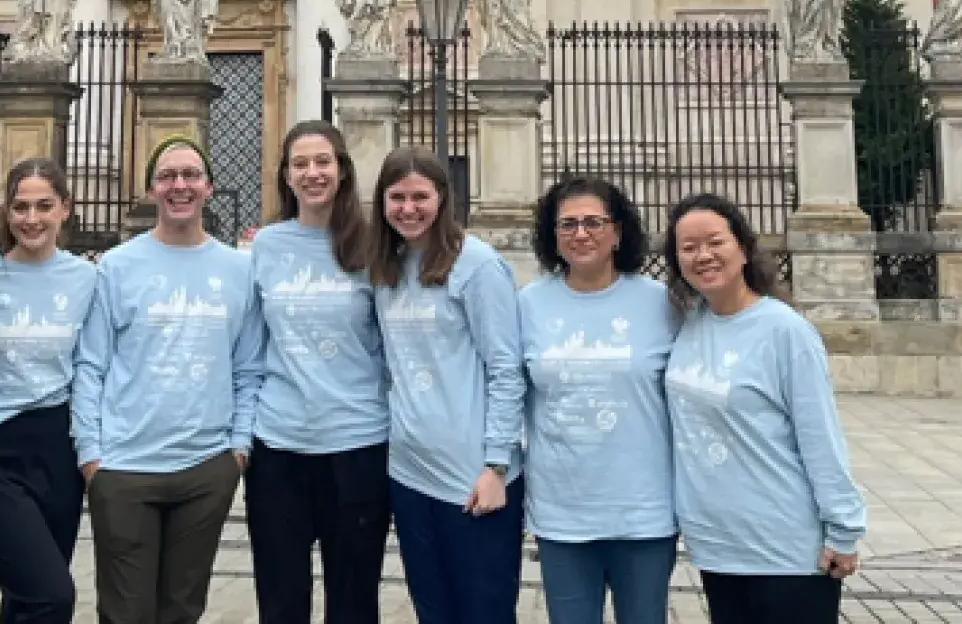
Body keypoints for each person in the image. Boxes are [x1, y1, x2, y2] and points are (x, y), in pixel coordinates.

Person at [72, 136, 263, 624]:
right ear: (152, 188)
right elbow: (91, 365)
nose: (180, 186)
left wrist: (237, 449)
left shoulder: (239, 269)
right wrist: (92, 455)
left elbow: (248, 367)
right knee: (125, 612)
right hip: (124, 466)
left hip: (206, 467)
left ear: (209, 187)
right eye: (168, 176)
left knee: (183, 609)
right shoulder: (117, 266)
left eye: (191, 176)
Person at [663, 193, 866, 624]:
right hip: (717, 546)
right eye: (689, 247)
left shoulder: (785, 331)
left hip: (784, 549)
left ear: (743, 246)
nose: (704, 256)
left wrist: (844, 528)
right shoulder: (691, 324)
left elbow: (820, 434)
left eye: (715, 242)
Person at [367, 147, 524, 624]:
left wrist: (497, 464)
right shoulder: (385, 268)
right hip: (411, 473)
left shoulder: (476, 265)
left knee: (484, 611)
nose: (408, 208)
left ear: (443, 199)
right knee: (432, 611)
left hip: (474, 475)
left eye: (420, 196)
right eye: (397, 197)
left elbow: (506, 367)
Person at [245, 122, 391, 624]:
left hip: (357, 444)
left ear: (343, 171)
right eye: (300, 164)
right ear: (285, 175)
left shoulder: (372, 244)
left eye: (323, 162)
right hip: (279, 447)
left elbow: (393, 347)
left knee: (353, 601)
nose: (312, 173)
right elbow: (252, 346)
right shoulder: (265, 246)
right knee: (280, 600)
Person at [520, 177, 679, 624]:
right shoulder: (528, 305)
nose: (581, 233)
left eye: (594, 222)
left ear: (619, 232)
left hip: (643, 511)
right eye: (567, 224)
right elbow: (508, 392)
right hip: (562, 512)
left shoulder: (662, 303)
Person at [0, 158, 100, 624]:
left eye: (43, 206)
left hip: (57, 449)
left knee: (24, 597)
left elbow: (93, 364)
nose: (31, 219)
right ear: (5, 212)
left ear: (65, 209)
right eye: (20, 207)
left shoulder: (88, 279)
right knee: (50, 595)